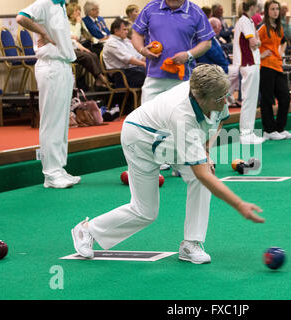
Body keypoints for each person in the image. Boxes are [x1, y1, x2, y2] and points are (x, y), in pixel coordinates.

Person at [71, 64, 265, 264]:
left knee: (203, 175)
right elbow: (202, 175)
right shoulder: (182, 114)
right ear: (201, 97)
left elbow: (220, 120)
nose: (225, 101)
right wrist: (239, 204)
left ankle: (191, 244)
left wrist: (206, 150)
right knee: (145, 212)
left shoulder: (215, 92)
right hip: (140, 139)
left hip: (169, 138)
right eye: (219, 98)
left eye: (226, 95)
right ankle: (86, 230)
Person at [17, 0, 80, 189]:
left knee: (61, 121)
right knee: (51, 120)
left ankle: (59, 169)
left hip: (63, 65)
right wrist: (42, 32)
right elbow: (21, 17)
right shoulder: (45, 2)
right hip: (51, 65)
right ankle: (50, 173)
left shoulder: (60, 6)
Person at [131, 0, 214, 104]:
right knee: (149, 118)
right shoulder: (151, 8)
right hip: (153, 78)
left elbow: (206, 42)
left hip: (183, 79)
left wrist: (188, 55)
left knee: (180, 119)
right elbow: (136, 33)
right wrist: (142, 50)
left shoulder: (196, 12)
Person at [257, 0, 291, 141]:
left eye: (277, 9)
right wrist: (260, 55)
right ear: (267, 11)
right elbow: (250, 45)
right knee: (267, 99)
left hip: (277, 66)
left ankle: (279, 128)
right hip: (265, 67)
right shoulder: (262, 29)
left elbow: (283, 41)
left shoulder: (279, 28)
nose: (275, 11)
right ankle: (269, 130)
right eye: (272, 9)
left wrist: (281, 53)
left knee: (285, 97)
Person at [232, 0, 266, 145]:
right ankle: (246, 134)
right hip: (249, 62)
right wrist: (258, 41)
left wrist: (257, 41)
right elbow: (254, 42)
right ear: (253, 8)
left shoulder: (246, 20)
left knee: (251, 99)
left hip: (249, 63)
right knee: (249, 99)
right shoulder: (245, 21)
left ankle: (249, 132)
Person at [66, 2, 109, 90]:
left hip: (83, 45)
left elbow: (88, 35)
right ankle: (100, 77)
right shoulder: (67, 23)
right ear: (70, 13)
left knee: (94, 54)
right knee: (91, 55)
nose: (79, 13)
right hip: (74, 47)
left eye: (79, 10)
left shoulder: (81, 21)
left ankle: (98, 78)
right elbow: (76, 37)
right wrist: (78, 23)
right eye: (76, 11)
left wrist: (100, 40)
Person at [103, 18, 146, 89]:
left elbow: (138, 56)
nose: (127, 32)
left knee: (154, 72)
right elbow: (127, 59)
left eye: (127, 29)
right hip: (120, 75)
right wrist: (143, 64)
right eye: (124, 29)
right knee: (150, 77)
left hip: (131, 71)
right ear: (116, 30)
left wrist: (148, 61)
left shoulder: (125, 41)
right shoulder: (111, 43)